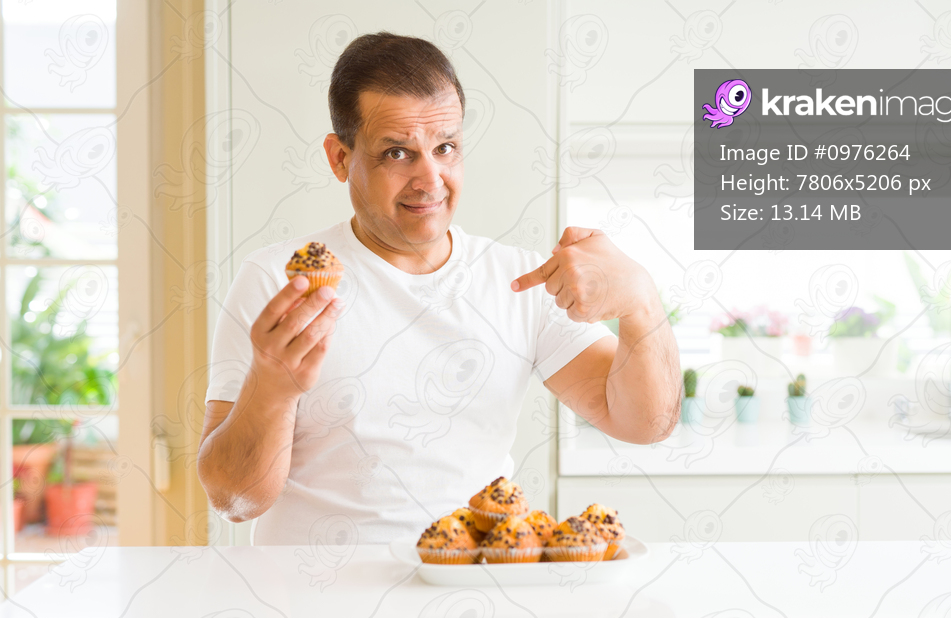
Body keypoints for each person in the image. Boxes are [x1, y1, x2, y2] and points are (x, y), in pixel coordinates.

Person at [197, 32, 681, 545]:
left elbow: (644, 424)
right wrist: (271, 389)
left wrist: (641, 303)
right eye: (397, 154)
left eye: (445, 148)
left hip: (471, 601)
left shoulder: (517, 281)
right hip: (314, 606)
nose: (431, 179)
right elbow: (236, 501)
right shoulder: (279, 284)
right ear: (340, 158)